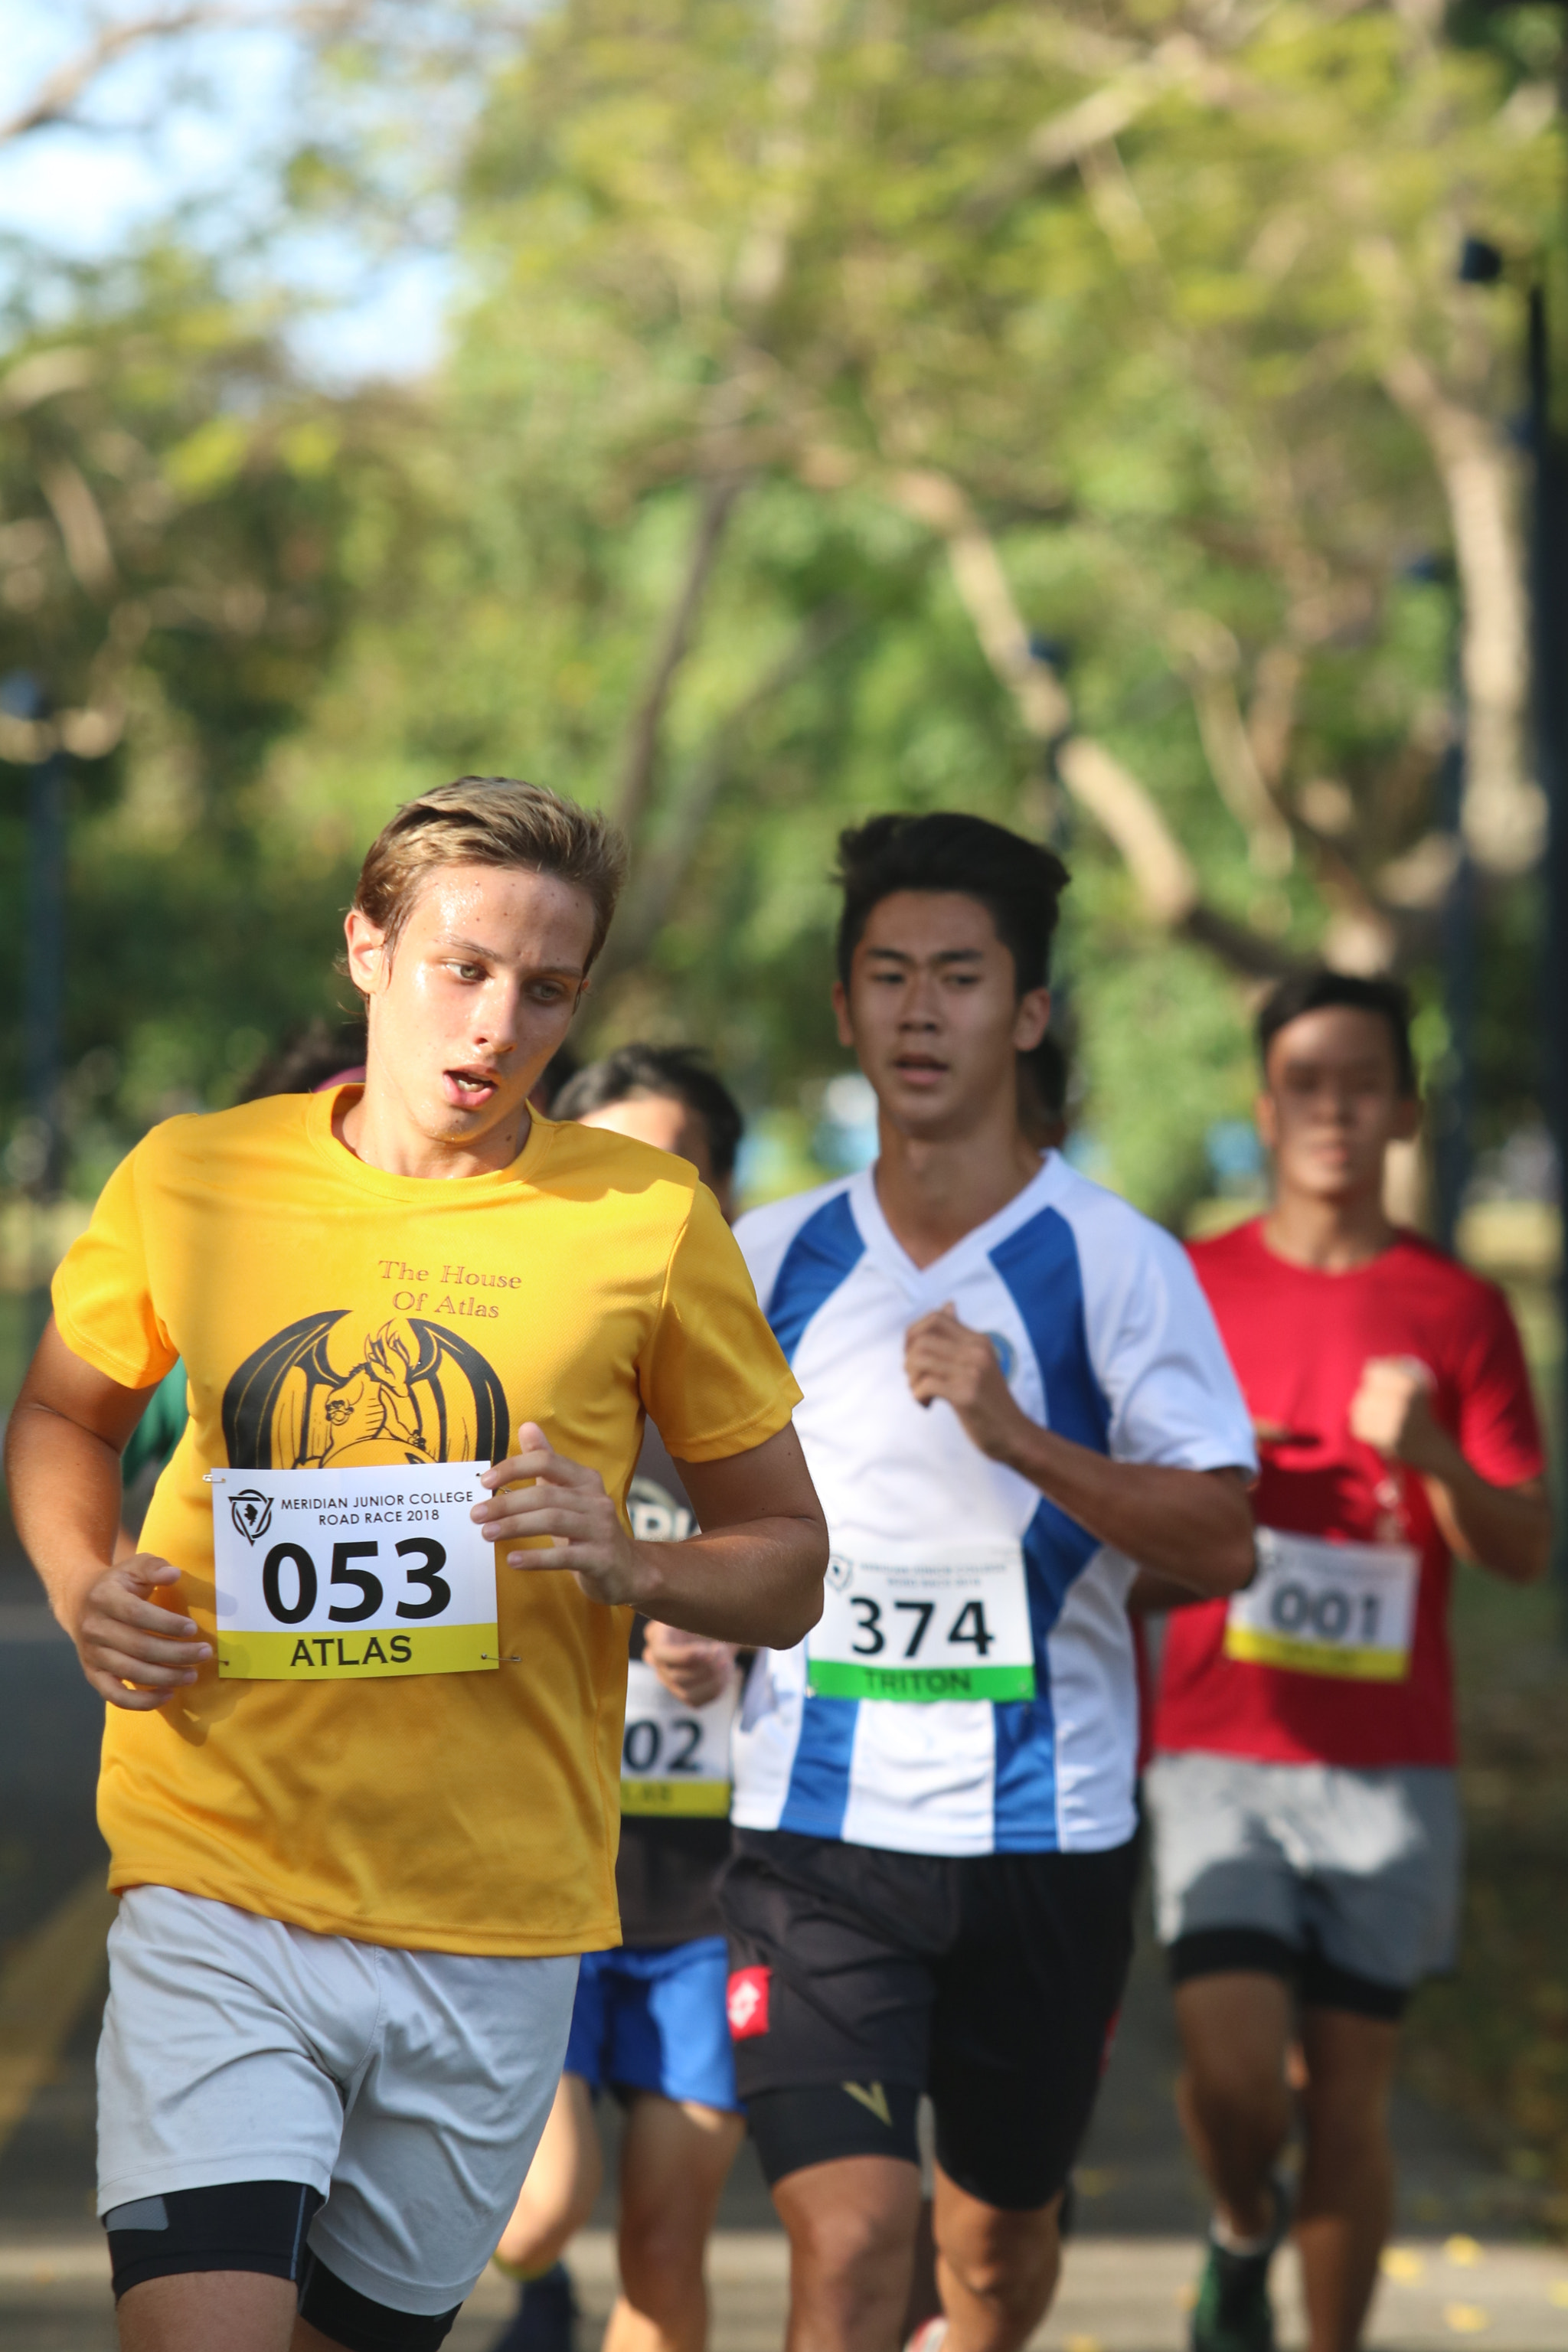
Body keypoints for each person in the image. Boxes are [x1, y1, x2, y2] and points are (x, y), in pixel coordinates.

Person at [5, 776, 828, 2352]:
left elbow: (787, 1565)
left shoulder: (643, 1218)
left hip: (494, 1923)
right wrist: (78, 1578)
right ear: (367, 951)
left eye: (548, 989)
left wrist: (630, 1557)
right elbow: (61, 1408)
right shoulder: (193, 1177)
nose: (499, 1021)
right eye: (463, 966)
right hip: (219, 1877)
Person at [720, 811, 1259, 2352]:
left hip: (1045, 1831)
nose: (918, 1010)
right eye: (886, 975)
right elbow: (681, 1490)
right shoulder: (770, 1258)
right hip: (813, 1833)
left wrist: (1017, 1433)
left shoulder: (1112, 1261)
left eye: (958, 977)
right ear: (843, 1007)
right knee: (847, 2249)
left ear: (1026, 1012)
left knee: (992, 2251)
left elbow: (1222, 1539)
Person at [1145, 967, 1552, 2352]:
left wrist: (1433, 1455)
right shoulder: (1189, 1286)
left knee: (1353, 2104)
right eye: (1305, 1084)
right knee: (1239, 2075)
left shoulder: (1459, 1310)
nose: (1332, 1110)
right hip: (1217, 1750)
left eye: (1360, 1084)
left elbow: (1521, 1549)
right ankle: (1239, 2228)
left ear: (1402, 1110)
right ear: (1266, 1108)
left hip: (1389, 1769)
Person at [490, 1045, 751, 2352]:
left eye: (668, 1174)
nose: (629, 1200)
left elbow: (821, 1586)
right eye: (600, 1164)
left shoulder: (751, 1405)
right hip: (532, 1879)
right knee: (535, 2216)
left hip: (704, 1897)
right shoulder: (507, 1380)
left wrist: (725, 1649)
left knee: (664, 2243)